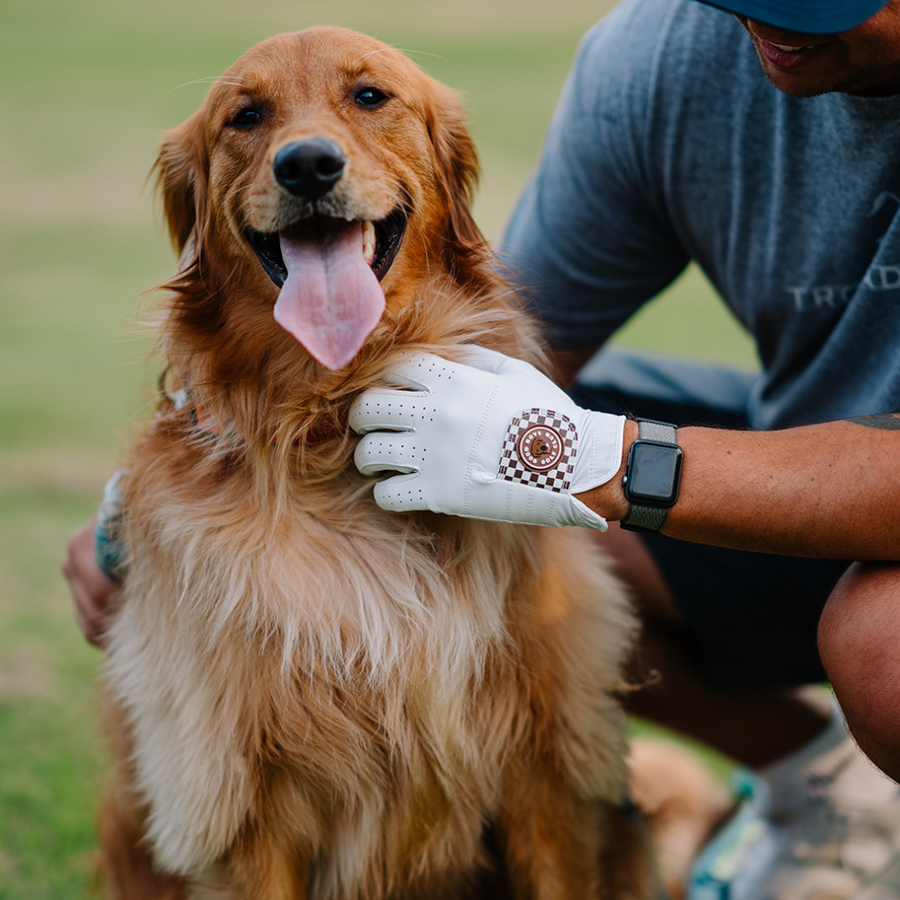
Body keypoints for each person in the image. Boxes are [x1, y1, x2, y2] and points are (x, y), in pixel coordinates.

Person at [62, 0, 900, 897]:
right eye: (251, 118)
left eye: (370, 99)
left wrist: (589, 462)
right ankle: (818, 773)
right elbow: (514, 333)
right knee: (521, 420)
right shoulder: (665, 54)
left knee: (881, 646)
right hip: (806, 472)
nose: (307, 148)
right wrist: (170, 470)